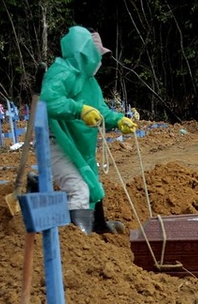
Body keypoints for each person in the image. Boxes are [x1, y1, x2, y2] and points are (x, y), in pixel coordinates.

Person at [38, 25, 137, 234]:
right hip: (59, 142)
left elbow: (100, 110)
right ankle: (78, 241)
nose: (99, 60)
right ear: (85, 53)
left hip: (80, 144)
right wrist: (79, 110)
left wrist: (119, 120)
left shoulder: (90, 82)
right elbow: (49, 100)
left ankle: (97, 227)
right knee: (79, 189)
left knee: (93, 185)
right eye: (96, 54)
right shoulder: (62, 72)